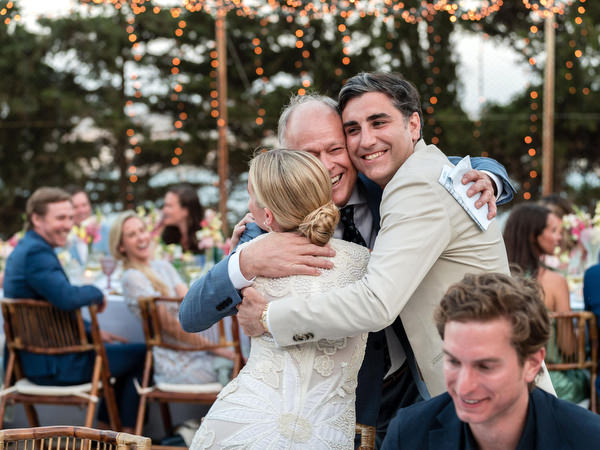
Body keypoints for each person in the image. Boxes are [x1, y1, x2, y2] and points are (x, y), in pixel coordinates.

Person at [236, 71, 557, 441]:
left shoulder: (416, 185)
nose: (365, 139)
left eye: (378, 122)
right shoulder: (421, 174)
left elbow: (376, 303)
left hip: (489, 389)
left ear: (414, 124)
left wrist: (268, 317)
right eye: (353, 129)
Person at [190, 149, 371, 448]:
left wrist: (237, 258)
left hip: (240, 427)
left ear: (268, 217)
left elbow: (192, 316)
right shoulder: (367, 262)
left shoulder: (252, 257)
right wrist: (240, 260)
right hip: (326, 434)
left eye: (251, 197)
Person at [382, 272, 600, 449]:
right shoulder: (409, 435)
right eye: (454, 362)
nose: (464, 386)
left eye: (485, 366)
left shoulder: (588, 438)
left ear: (532, 364)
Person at [2, 187, 146, 432]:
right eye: (60, 218)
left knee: (118, 351)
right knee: (141, 353)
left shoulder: (26, 248)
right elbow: (67, 298)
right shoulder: (37, 254)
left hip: (37, 360)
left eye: (70, 218)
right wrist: (97, 293)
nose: (68, 225)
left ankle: (107, 431)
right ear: (37, 219)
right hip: (54, 366)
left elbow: (50, 311)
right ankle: (126, 436)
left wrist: (91, 332)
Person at [108, 211, 234, 385]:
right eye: (131, 235)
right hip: (176, 359)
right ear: (121, 246)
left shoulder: (164, 266)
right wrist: (217, 349)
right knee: (240, 365)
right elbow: (170, 326)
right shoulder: (132, 277)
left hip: (198, 349)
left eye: (142, 230)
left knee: (247, 357)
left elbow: (192, 303)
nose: (140, 237)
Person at [504, 203, 588, 404]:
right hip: (551, 381)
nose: (559, 237)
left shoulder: (497, 280)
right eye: (553, 230)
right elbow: (568, 350)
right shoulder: (554, 281)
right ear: (534, 236)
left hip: (507, 379)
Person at [63, 187, 110, 264]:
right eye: (75, 207)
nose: (81, 210)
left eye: (84, 205)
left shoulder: (105, 230)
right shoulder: (63, 237)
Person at [160, 184, 204, 254]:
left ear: (185, 211)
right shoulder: (165, 238)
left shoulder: (206, 237)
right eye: (164, 205)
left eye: (169, 206)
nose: (164, 210)